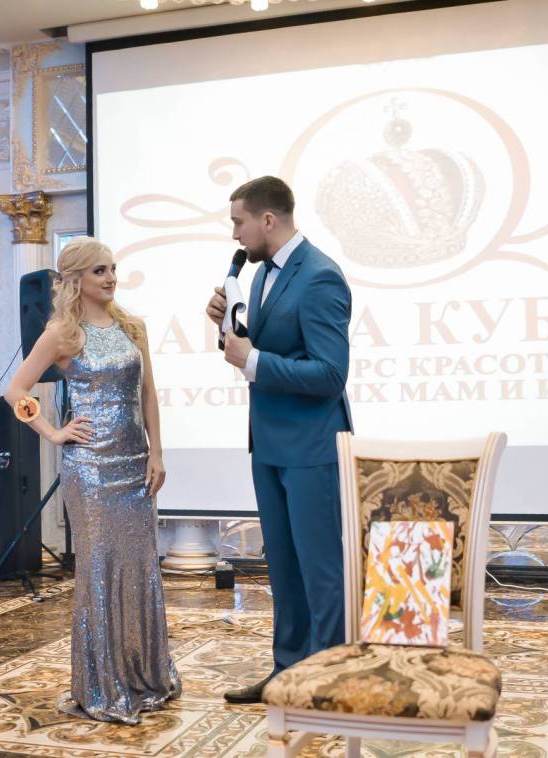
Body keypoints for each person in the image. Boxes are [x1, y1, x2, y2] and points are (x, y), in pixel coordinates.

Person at [5, 236, 180, 725]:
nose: (111, 278)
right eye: (100, 270)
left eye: (113, 268)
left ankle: (144, 675)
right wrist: (53, 432)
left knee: (140, 568)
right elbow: (16, 391)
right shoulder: (62, 334)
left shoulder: (132, 326)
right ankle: (104, 684)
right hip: (90, 472)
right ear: (76, 279)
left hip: (134, 466)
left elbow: (148, 395)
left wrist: (156, 453)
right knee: (100, 574)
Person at [205, 176, 352, 703]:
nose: (235, 234)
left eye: (238, 222)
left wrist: (254, 361)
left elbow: (331, 374)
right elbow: (259, 350)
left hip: (312, 448)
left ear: (268, 220)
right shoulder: (262, 273)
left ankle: (328, 683)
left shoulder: (320, 276)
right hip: (267, 443)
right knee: (284, 571)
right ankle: (287, 671)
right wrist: (226, 328)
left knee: (320, 572)